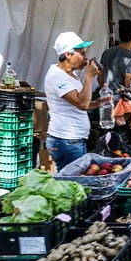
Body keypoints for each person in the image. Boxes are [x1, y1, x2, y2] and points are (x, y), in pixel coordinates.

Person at [44, 32, 103, 170]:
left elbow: (82, 103)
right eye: (81, 53)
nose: (85, 58)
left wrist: (99, 103)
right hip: (66, 140)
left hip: (74, 139)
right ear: (68, 55)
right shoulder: (57, 77)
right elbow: (81, 104)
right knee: (72, 182)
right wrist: (89, 76)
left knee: (75, 181)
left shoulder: (71, 75)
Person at [99, 19, 131, 93]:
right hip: (120, 99)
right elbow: (128, 81)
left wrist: (105, 93)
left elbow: (100, 77)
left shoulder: (107, 52)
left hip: (106, 98)